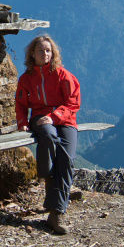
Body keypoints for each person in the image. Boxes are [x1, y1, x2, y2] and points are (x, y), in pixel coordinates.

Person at [15, 35, 81, 234]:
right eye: (40, 51)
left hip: (65, 119)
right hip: (40, 117)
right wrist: (23, 122)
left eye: (48, 51)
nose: (45, 54)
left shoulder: (63, 75)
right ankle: (45, 173)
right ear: (32, 54)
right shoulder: (26, 79)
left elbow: (73, 103)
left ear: (53, 54)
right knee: (49, 136)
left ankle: (56, 212)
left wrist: (55, 116)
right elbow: (20, 103)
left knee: (66, 159)